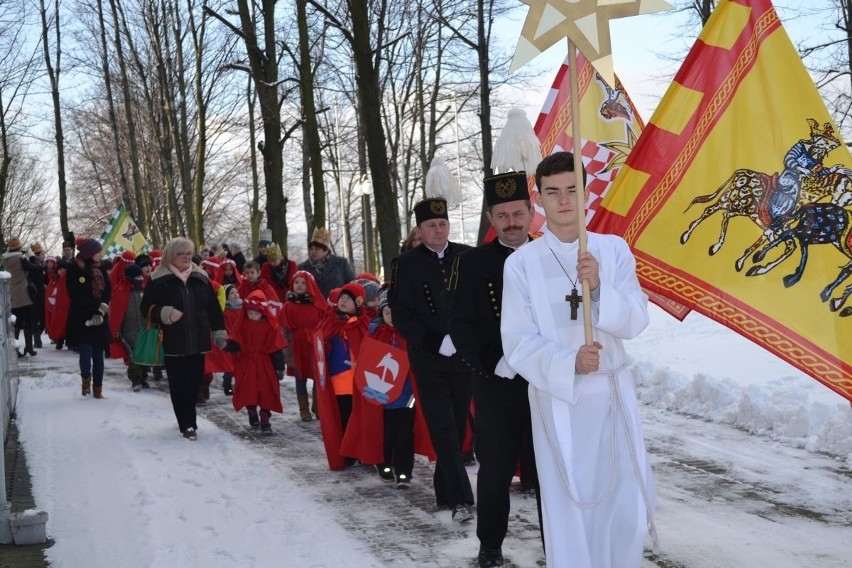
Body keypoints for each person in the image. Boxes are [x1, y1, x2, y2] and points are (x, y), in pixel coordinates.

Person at [500, 151, 656, 568]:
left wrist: (601, 287)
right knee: (572, 505)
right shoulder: (521, 265)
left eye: (572, 190)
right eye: (553, 192)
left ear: (586, 193)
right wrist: (569, 362)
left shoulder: (613, 250)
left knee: (624, 502)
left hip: (612, 396)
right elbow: (516, 342)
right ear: (540, 200)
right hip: (560, 402)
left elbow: (638, 318)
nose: (564, 200)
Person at [449, 171, 541, 568]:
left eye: (517, 213)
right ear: (490, 218)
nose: (511, 222)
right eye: (501, 215)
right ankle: (490, 546)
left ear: (531, 211)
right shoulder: (470, 264)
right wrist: (495, 362)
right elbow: (460, 325)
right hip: (496, 383)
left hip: (546, 383)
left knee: (551, 474)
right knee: (496, 470)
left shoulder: (552, 255)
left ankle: (561, 542)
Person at [389, 197, 475, 524]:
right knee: (441, 427)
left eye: (442, 224)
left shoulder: (467, 256)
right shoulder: (405, 264)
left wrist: (465, 339)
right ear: (420, 230)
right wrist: (436, 341)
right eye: (430, 226)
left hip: (462, 360)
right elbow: (402, 316)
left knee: (455, 428)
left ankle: (444, 489)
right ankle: (463, 500)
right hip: (428, 361)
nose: (438, 230)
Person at [140, 237, 227, 440]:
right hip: (173, 341)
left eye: (189, 253)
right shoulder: (159, 279)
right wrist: (166, 312)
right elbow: (146, 309)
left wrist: (219, 331)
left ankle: (188, 419)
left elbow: (213, 307)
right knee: (180, 386)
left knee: (195, 383)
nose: (187, 257)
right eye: (182, 253)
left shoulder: (200, 277)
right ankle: (187, 424)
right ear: (171, 255)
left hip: (198, 340)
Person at [316, 281, 369, 470]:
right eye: (342, 298)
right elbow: (318, 344)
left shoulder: (365, 325)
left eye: (348, 298)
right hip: (338, 381)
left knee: (361, 418)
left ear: (359, 302)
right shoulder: (330, 322)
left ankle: (363, 452)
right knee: (344, 417)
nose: (344, 301)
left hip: (359, 382)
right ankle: (347, 454)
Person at [227, 290, 286, 432]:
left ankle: (265, 418)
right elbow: (236, 343)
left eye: (256, 313)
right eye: (250, 313)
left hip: (265, 365)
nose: (253, 315)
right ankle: (252, 412)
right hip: (247, 364)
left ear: (263, 312)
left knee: (266, 392)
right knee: (249, 391)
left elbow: (276, 348)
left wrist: (279, 367)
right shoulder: (242, 325)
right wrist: (225, 345)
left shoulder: (271, 327)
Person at [66, 238, 112, 398]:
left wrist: (101, 309)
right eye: (97, 252)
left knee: (99, 355)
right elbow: (74, 295)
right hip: (82, 317)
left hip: (100, 316)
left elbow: (107, 289)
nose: (100, 254)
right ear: (89, 254)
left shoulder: (102, 267)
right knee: (86, 353)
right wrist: (95, 305)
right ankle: (86, 380)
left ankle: (98, 389)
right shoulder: (73, 269)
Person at [282, 270, 327, 421]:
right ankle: (304, 409)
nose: (300, 286)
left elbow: (324, 325)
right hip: (297, 346)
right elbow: (284, 329)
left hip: (314, 346)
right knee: (299, 378)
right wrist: (286, 351)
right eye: (297, 283)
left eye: (303, 283)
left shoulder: (318, 306)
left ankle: (318, 406)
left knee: (317, 376)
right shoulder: (288, 306)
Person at [2, 237, 41, 357]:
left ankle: (15, 349)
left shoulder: (5, 261)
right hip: (25, 296)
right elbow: (36, 268)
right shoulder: (21, 259)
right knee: (28, 322)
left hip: (12, 295)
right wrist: (32, 257)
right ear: (19, 248)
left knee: (16, 324)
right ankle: (29, 348)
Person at [112, 263, 148, 391]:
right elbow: (116, 312)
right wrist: (116, 330)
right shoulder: (121, 291)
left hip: (144, 328)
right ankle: (135, 379)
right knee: (134, 355)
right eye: (138, 277)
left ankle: (143, 376)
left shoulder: (144, 290)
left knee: (144, 353)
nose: (141, 279)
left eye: (141, 277)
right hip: (128, 329)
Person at [297, 227, 356, 298]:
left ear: (326, 250)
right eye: (311, 249)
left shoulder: (341, 263)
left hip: (336, 305)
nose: (313, 251)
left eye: (317, 249)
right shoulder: (302, 268)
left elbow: (352, 284)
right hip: (312, 306)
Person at [28, 242, 47, 348]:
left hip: (42, 294)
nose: (44, 256)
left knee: (43, 318)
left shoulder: (42, 266)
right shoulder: (34, 266)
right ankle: (36, 339)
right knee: (36, 317)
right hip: (35, 295)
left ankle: (37, 336)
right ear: (37, 256)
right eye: (42, 254)